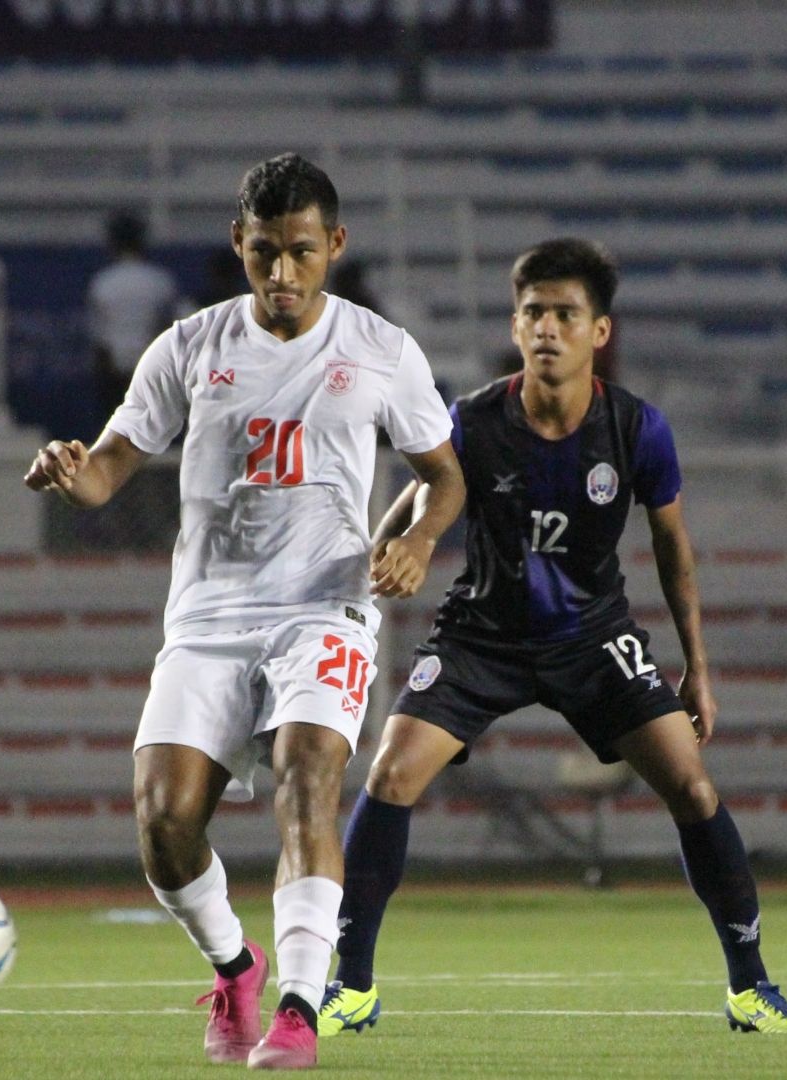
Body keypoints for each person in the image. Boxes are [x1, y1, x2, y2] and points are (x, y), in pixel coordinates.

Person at [23, 153, 465, 1070]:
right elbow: (109, 468)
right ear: (238, 243)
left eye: (301, 251)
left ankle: (300, 1007)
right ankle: (236, 967)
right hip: (210, 616)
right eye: (265, 251)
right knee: (164, 822)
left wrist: (420, 541)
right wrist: (72, 471)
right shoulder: (188, 347)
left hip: (325, 608)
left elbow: (444, 476)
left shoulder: (382, 350)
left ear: (334, 245)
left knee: (310, 778)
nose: (282, 271)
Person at [319, 238, 787, 1040]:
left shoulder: (637, 429)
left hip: (593, 637)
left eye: (565, 314)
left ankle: (751, 986)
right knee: (390, 774)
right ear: (515, 327)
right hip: (482, 635)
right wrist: (387, 556)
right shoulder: (473, 420)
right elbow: (424, 494)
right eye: (534, 313)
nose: (547, 327)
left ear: (599, 332)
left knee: (692, 788)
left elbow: (673, 550)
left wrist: (697, 667)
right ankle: (352, 985)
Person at [88, 210, 187, 418]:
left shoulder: (103, 282)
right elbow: (169, 332)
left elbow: (100, 341)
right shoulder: (160, 281)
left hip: (115, 372)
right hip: (150, 368)